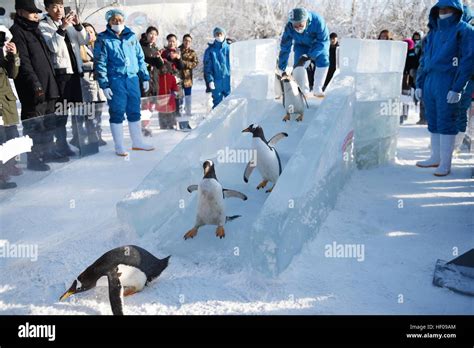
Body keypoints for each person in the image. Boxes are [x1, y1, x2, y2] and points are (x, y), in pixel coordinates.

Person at [415, 0, 474, 177]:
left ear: (456, 10)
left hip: (448, 79)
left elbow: (467, 61)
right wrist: (419, 83)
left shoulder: (464, 30)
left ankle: (446, 163)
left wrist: (457, 87)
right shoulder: (433, 32)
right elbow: (424, 60)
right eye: (440, 9)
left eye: (448, 9)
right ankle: (435, 156)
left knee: (446, 120)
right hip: (431, 79)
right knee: (433, 118)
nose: (443, 12)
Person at [94, 9, 154, 156]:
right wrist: (105, 84)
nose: (118, 23)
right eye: (114, 20)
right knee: (117, 110)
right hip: (116, 80)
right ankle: (119, 145)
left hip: (132, 79)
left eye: (120, 20)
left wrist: (145, 77)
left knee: (134, 110)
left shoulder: (131, 37)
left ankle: (137, 142)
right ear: (108, 21)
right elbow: (100, 62)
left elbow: (140, 58)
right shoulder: (103, 39)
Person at [10, 0, 60, 172]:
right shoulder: (16, 32)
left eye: (36, 12)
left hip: (48, 84)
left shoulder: (35, 30)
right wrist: (35, 85)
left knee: (48, 123)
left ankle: (47, 152)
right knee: (34, 126)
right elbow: (23, 63)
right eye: (32, 12)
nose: (36, 15)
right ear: (21, 12)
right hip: (33, 88)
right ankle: (34, 158)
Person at [279, 8, 330, 98]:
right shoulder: (289, 28)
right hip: (301, 45)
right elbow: (285, 47)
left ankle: (317, 89)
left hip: (318, 45)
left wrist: (309, 56)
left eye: (300, 25)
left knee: (323, 59)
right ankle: (303, 91)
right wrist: (282, 68)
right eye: (295, 26)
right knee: (298, 65)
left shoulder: (318, 21)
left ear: (306, 20)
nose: (298, 28)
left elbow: (323, 41)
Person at [0, 24, 22, 189]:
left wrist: (13, 55)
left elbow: (13, 73)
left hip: (6, 102)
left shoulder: (3, 46)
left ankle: (7, 169)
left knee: (11, 137)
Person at [80, 22, 107, 146]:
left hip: (99, 83)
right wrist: (95, 65)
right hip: (88, 83)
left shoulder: (99, 46)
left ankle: (98, 135)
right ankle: (92, 137)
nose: (89, 34)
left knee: (99, 113)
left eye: (91, 31)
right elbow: (80, 64)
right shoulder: (80, 47)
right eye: (87, 31)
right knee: (90, 113)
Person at [140, 26, 164, 136]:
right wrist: (152, 59)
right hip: (144, 80)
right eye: (151, 34)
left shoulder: (155, 48)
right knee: (145, 104)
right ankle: (144, 126)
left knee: (152, 105)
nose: (153, 36)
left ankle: (146, 124)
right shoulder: (140, 46)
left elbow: (160, 65)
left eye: (155, 34)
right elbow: (142, 61)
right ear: (146, 34)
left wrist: (158, 58)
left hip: (154, 80)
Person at [204, 27, 231, 108]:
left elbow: (236, 64)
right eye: (217, 34)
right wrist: (210, 80)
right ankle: (216, 121)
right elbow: (207, 67)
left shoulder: (230, 48)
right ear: (214, 36)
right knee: (217, 105)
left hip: (229, 81)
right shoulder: (210, 50)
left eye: (220, 34)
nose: (219, 36)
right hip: (216, 82)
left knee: (230, 104)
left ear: (224, 35)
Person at [180, 34, 199, 115]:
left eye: (189, 41)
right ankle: (179, 119)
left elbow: (195, 63)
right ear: (183, 41)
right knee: (179, 101)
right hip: (178, 80)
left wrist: (184, 63)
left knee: (188, 100)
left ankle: (187, 117)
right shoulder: (178, 50)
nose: (187, 42)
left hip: (188, 80)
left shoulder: (192, 52)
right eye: (186, 40)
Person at [157, 61, 179, 129]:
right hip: (161, 98)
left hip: (170, 98)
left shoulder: (171, 77)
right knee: (162, 112)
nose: (164, 70)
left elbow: (174, 86)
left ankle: (171, 124)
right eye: (162, 68)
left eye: (166, 68)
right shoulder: (157, 78)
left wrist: (174, 92)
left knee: (170, 112)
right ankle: (163, 125)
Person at [401, 38, 418, 123]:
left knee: (405, 96)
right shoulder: (400, 53)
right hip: (401, 76)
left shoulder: (412, 54)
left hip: (407, 77)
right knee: (401, 97)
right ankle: (401, 114)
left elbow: (414, 65)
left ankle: (404, 114)